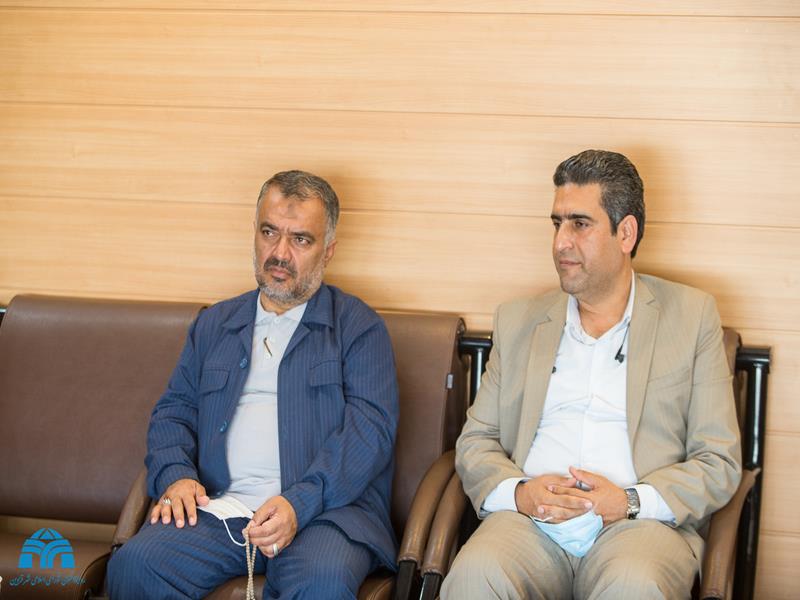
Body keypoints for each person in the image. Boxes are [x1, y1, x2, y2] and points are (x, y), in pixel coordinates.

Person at [441, 150, 741, 599]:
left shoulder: (691, 316)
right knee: (474, 575)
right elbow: (477, 440)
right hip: (530, 524)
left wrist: (628, 501)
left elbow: (718, 461)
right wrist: (521, 493)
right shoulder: (519, 320)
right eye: (557, 223)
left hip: (639, 528)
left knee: (632, 587)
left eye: (580, 224)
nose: (560, 243)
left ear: (626, 233)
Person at [107, 170, 399, 599]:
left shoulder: (359, 328)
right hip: (219, 510)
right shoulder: (214, 324)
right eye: (269, 232)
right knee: (136, 566)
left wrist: (299, 502)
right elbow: (173, 413)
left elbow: (369, 436)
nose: (280, 253)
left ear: (328, 251)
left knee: (321, 583)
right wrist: (176, 475)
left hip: (326, 515)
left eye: (300, 239)